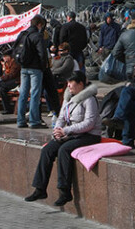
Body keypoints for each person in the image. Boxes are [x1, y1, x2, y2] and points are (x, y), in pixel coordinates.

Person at [25, 72, 101, 206]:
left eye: (72, 83)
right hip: (72, 133)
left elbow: (89, 123)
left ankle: (65, 191)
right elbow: (61, 117)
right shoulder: (68, 98)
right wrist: (57, 131)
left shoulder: (90, 99)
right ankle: (40, 188)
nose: (69, 86)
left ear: (81, 84)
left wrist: (66, 130)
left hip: (89, 135)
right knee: (48, 149)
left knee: (64, 150)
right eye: (68, 83)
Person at [14, 14, 49, 128]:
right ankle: (34, 121)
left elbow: (14, 49)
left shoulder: (23, 34)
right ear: (39, 25)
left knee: (23, 94)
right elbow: (42, 53)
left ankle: (20, 120)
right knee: (35, 94)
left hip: (24, 67)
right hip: (35, 69)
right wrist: (44, 66)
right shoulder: (37, 36)